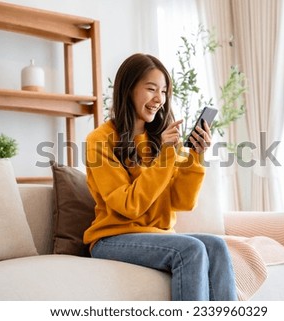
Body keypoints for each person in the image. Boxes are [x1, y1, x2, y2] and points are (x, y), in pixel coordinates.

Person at [84, 53, 237, 301]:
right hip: (111, 238)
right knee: (191, 250)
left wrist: (195, 156)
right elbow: (128, 205)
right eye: (151, 89)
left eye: (164, 91)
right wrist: (165, 157)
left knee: (217, 246)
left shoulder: (161, 139)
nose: (159, 99)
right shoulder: (99, 140)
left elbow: (182, 201)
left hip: (157, 234)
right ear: (128, 89)